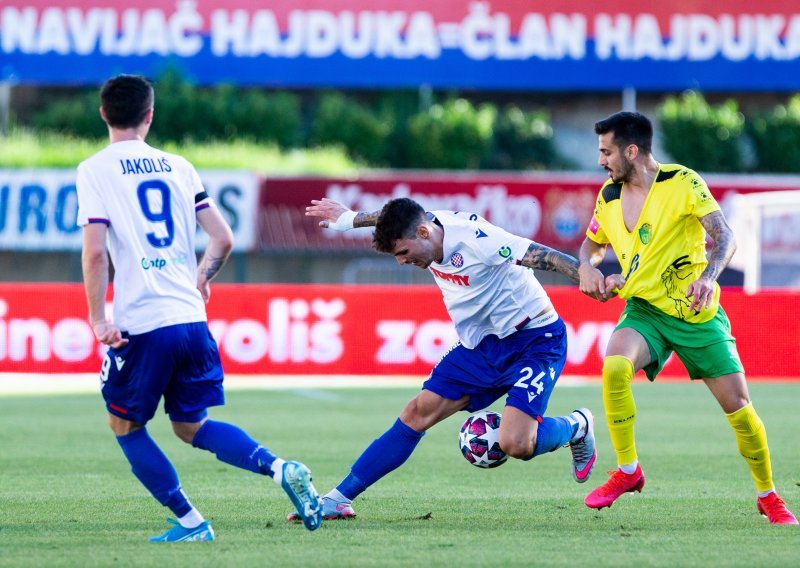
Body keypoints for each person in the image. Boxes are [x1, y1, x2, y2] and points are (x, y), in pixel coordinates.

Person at [77, 74, 323, 542]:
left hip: (144, 323)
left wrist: (97, 319)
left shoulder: (95, 169)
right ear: (149, 115)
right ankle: (280, 467)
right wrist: (201, 278)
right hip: (191, 319)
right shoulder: (178, 166)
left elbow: (94, 253)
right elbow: (223, 237)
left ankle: (192, 522)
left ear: (103, 113)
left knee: (125, 424)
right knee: (191, 425)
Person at [288, 196, 597, 521]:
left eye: (403, 253)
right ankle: (337, 499)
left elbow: (544, 257)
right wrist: (350, 219)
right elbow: (392, 213)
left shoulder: (479, 240)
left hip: (536, 339)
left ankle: (577, 426)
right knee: (416, 412)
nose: (402, 262)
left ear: (423, 233)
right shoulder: (423, 224)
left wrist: (591, 276)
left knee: (516, 444)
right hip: (483, 346)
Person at [578, 111, 797, 525]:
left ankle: (769, 496)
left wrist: (709, 278)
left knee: (740, 409)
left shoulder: (682, 182)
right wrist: (588, 268)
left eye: (606, 152)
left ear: (631, 150)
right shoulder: (607, 196)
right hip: (644, 310)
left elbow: (725, 236)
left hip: (695, 314)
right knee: (614, 367)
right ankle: (628, 471)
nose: (601, 161)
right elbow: (590, 247)